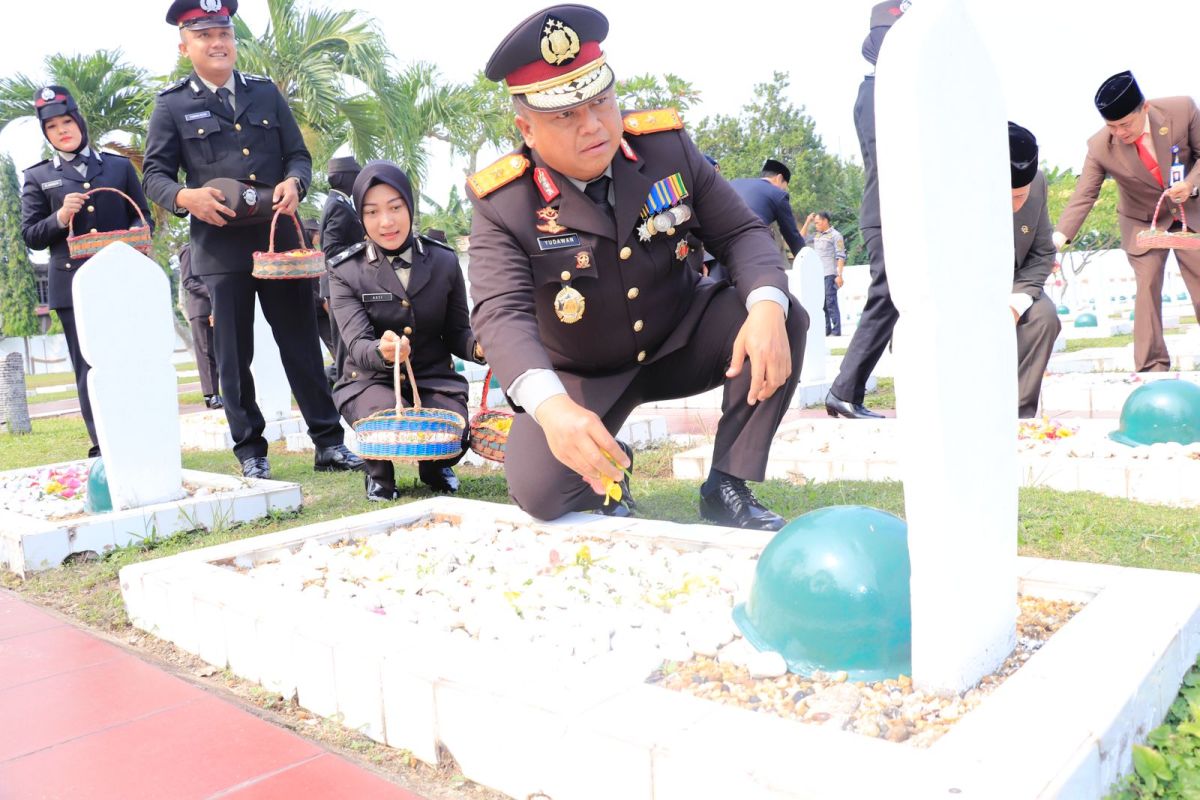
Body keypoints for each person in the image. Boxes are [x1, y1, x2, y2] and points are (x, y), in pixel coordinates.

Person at [467, 4, 807, 531]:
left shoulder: (665, 148)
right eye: (565, 115)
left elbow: (740, 233)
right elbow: (500, 313)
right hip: (581, 374)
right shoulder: (504, 202)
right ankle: (608, 468)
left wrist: (765, 306)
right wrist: (552, 410)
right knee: (538, 491)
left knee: (777, 313)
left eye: (601, 102)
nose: (594, 125)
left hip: (680, 338)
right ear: (527, 129)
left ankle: (727, 484)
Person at [142, 0, 362, 479]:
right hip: (218, 245)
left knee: (301, 342)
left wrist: (295, 183)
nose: (217, 42)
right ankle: (250, 451)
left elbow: (297, 156)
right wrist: (186, 197)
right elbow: (153, 176)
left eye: (223, 32)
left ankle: (328, 443)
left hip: (278, 236)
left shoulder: (265, 94)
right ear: (185, 48)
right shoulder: (172, 105)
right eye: (204, 35)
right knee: (234, 354)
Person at [327, 161, 484, 500]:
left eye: (395, 207)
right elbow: (355, 343)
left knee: (451, 431)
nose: (386, 221)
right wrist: (381, 352)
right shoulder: (345, 271)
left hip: (430, 376)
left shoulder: (443, 261)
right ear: (361, 218)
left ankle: (436, 465)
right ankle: (379, 473)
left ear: (410, 207)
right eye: (372, 212)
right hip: (369, 380)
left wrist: (479, 347)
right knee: (384, 425)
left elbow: (458, 330)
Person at [21, 84, 154, 458]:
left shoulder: (117, 166)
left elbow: (142, 219)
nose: (62, 130)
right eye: (52, 127)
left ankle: (139, 432)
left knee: (129, 358)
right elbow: (31, 235)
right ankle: (104, 443)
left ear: (79, 121)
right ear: (45, 133)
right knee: (88, 366)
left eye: (66, 121)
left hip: (121, 280)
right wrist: (61, 217)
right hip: (72, 283)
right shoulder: (38, 177)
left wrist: (134, 232)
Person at [1054, 70, 1200, 372]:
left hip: (1190, 212)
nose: (1119, 132)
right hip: (1141, 222)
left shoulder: (1181, 110)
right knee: (1147, 287)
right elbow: (1085, 193)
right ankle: (1151, 369)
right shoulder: (1099, 146)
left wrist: (1189, 183)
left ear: (1144, 108)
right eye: (1112, 126)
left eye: (1125, 124)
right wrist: (1058, 238)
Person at [825, 0, 908, 419]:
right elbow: (891, 160)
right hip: (889, 212)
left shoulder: (896, 91)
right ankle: (844, 389)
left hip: (902, 212)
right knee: (888, 296)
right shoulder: (874, 93)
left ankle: (847, 390)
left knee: (896, 297)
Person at [1009, 123, 1061, 418]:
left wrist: (1017, 301)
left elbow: (1043, 252)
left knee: (1044, 317)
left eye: (1021, 196)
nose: (1017, 206)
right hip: (967, 284)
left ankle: (1018, 414)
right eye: (1009, 197)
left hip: (1016, 283)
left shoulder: (1038, 183)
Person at [319, 156, 364, 385]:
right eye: (356, 176)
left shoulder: (340, 203)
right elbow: (331, 249)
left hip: (337, 282)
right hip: (338, 283)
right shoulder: (339, 206)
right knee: (343, 346)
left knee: (345, 344)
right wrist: (365, 247)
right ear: (346, 178)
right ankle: (329, 388)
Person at [729, 159, 806, 260]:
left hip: (715, 248)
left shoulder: (734, 183)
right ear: (779, 178)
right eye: (784, 187)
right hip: (746, 252)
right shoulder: (778, 194)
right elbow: (792, 236)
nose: (783, 190)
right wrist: (806, 260)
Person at [177, 243, 222, 409]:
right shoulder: (189, 249)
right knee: (206, 352)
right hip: (202, 309)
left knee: (224, 353)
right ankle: (212, 395)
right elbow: (188, 281)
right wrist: (212, 292)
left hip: (221, 306)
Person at [801, 211, 847, 335]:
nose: (815, 225)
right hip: (817, 275)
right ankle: (826, 330)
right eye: (814, 223)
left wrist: (839, 275)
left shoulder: (835, 235)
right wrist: (807, 221)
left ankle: (836, 330)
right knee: (821, 304)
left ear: (825, 221)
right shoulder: (816, 235)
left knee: (830, 302)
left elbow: (841, 256)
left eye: (817, 222)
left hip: (830, 273)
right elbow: (801, 237)